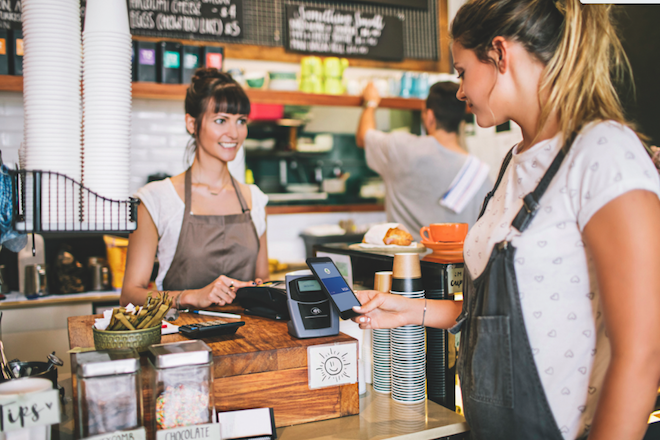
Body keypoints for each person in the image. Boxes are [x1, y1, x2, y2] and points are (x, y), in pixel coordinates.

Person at [352, 1, 660, 439]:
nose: (459, 92)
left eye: (461, 72)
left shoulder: (603, 153)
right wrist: (412, 311)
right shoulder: (512, 164)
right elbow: (504, 317)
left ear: (499, 54)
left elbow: (642, 352)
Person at [122, 68, 269, 308]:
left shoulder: (255, 199)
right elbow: (130, 294)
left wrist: (257, 289)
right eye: (221, 120)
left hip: (249, 340)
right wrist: (191, 296)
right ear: (192, 123)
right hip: (180, 341)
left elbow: (264, 281)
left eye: (241, 121)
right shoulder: (156, 199)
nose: (234, 133)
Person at [356, 81, 491, 242]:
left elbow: (364, 136)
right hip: (456, 266)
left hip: (406, 265)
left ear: (430, 117)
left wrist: (370, 103)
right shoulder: (480, 174)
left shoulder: (402, 149)